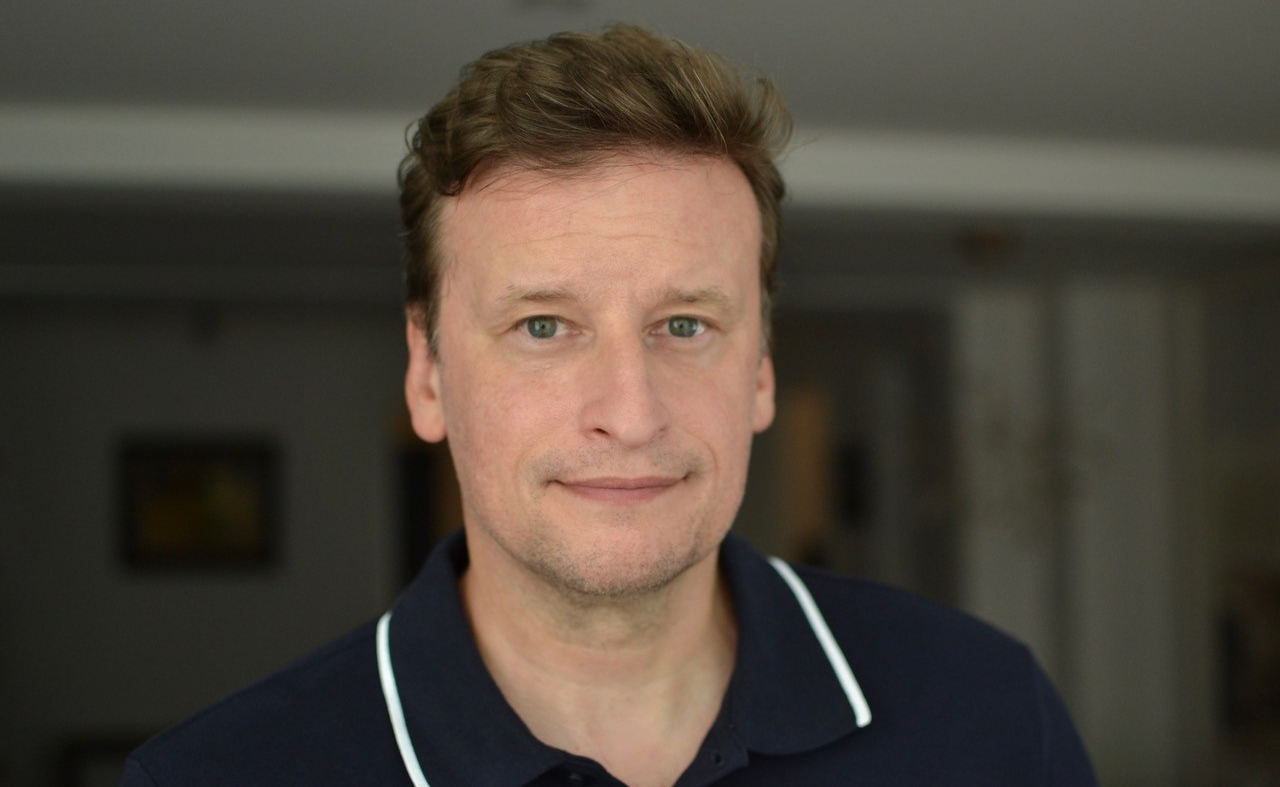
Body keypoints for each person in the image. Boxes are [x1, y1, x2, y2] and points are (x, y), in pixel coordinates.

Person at [121, 24, 1097, 787]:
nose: (629, 415)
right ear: (427, 375)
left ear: (759, 367)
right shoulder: (219, 773)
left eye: (684, 325)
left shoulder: (987, 713)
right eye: (544, 327)